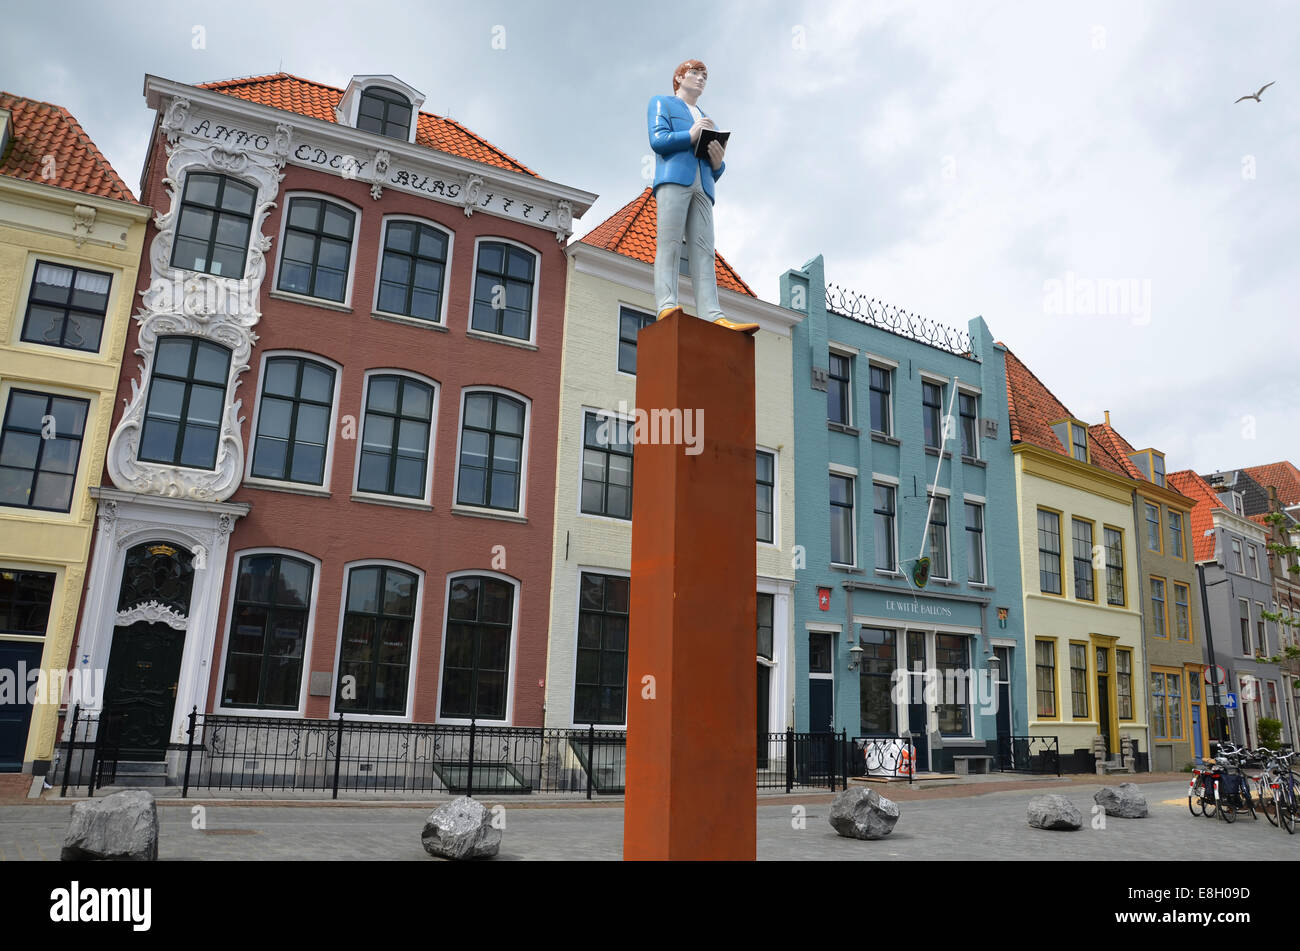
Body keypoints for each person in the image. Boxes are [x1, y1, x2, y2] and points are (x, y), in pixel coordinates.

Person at [647, 60, 759, 335]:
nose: (700, 79)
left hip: (704, 187)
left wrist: (719, 162)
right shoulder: (662, 103)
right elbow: (658, 140)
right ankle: (666, 304)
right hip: (674, 178)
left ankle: (712, 313)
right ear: (679, 77)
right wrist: (690, 134)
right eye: (695, 73)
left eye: (704, 76)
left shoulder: (708, 117)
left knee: (704, 250)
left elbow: (714, 168)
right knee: (670, 242)